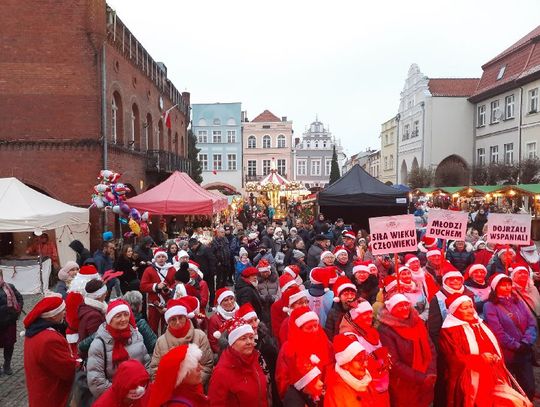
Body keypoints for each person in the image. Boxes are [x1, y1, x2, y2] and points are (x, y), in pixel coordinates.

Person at [439, 293, 514, 407]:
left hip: (492, 374)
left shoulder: (480, 324)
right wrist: (480, 359)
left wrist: (494, 356)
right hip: (469, 380)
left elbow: (493, 346)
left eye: (471, 306)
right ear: (454, 311)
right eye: (465, 308)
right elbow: (453, 358)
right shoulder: (449, 330)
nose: (470, 311)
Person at [484, 273, 537, 400]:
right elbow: (498, 331)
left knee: (529, 387)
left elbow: (531, 323)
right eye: (503, 285)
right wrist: (516, 345)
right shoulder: (490, 306)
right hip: (508, 353)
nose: (507, 288)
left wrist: (526, 341)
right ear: (495, 287)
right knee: (511, 388)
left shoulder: (518, 301)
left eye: (509, 284)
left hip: (524, 351)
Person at [378, 294, 436, 407]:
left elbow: (431, 348)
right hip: (404, 384)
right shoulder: (386, 330)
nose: (405, 308)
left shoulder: (418, 323)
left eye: (406, 305)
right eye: (399, 306)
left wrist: (431, 372)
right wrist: (420, 378)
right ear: (391, 309)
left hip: (426, 380)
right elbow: (393, 363)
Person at [87, 299, 150, 398]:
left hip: (140, 393)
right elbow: (96, 382)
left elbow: (146, 363)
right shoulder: (99, 344)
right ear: (109, 319)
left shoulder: (136, 335)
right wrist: (123, 394)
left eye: (126, 314)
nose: (124, 319)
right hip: (115, 398)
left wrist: (143, 386)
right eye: (118, 316)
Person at [23, 294, 77, 407]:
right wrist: (81, 363)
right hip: (51, 395)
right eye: (63, 310)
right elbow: (67, 370)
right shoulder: (50, 339)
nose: (65, 313)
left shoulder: (34, 332)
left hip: (40, 390)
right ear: (52, 316)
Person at [275, 306, 333, 404]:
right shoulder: (288, 349)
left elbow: (332, 365)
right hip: (301, 399)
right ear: (299, 329)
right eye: (309, 327)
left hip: (325, 396)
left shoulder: (325, 343)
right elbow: (282, 379)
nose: (314, 330)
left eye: (316, 325)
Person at [150, 296, 213, 384]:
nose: (178, 322)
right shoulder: (161, 342)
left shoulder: (200, 336)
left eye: (180, 317)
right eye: (173, 319)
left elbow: (207, 366)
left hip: (195, 387)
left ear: (186, 317)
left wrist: (191, 384)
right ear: (168, 322)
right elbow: (155, 370)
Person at [208, 317, 269, 407]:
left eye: (251, 338)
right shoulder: (221, 372)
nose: (249, 342)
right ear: (232, 343)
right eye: (243, 338)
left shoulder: (253, 360)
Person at [339, 302, 391, 406]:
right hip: (367, 388)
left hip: (381, 383)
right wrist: (377, 356)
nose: (369, 317)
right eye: (364, 314)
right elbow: (355, 362)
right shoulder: (349, 336)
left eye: (370, 313)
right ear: (355, 317)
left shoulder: (370, 331)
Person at [324, 334, 378, 407]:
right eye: (359, 360)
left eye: (365, 358)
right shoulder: (336, 391)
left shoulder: (367, 379)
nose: (365, 364)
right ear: (345, 364)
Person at [140, 248, 177, 334]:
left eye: (163, 256)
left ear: (166, 258)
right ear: (155, 259)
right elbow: (143, 286)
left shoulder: (172, 269)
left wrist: (169, 290)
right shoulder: (149, 270)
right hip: (154, 303)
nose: (161, 258)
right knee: (153, 327)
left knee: (168, 326)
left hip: (168, 303)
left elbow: (175, 283)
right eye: (159, 257)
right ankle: (154, 345)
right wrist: (156, 286)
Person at [0, 269, 23, 376]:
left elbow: (19, 298)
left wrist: (16, 312)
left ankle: (7, 364)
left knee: (9, 344)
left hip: (9, 322)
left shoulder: (10, 287)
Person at [325, 276, 359, 341]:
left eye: (352, 294)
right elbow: (329, 333)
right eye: (346, 294)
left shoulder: (359, 309)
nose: (350, 297)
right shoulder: (333, 312)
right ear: (339, 297)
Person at [207, 288, 239, 353]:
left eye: (231, 298)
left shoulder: (240, 313)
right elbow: (213, 342)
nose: (230, 302)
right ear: (220, 303)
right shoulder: (214, 319)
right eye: (226, 300)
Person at [189, 237, 218, 308]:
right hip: (200, 274)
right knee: (201, 289)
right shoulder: (194, 251)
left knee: (211, 289)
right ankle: (202, 303)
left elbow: (212, 260)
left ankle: (212, 304)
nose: (192, 248)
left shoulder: (205, 249)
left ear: (196, 244)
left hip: (208, 273)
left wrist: (213, 272)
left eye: (192, 246)